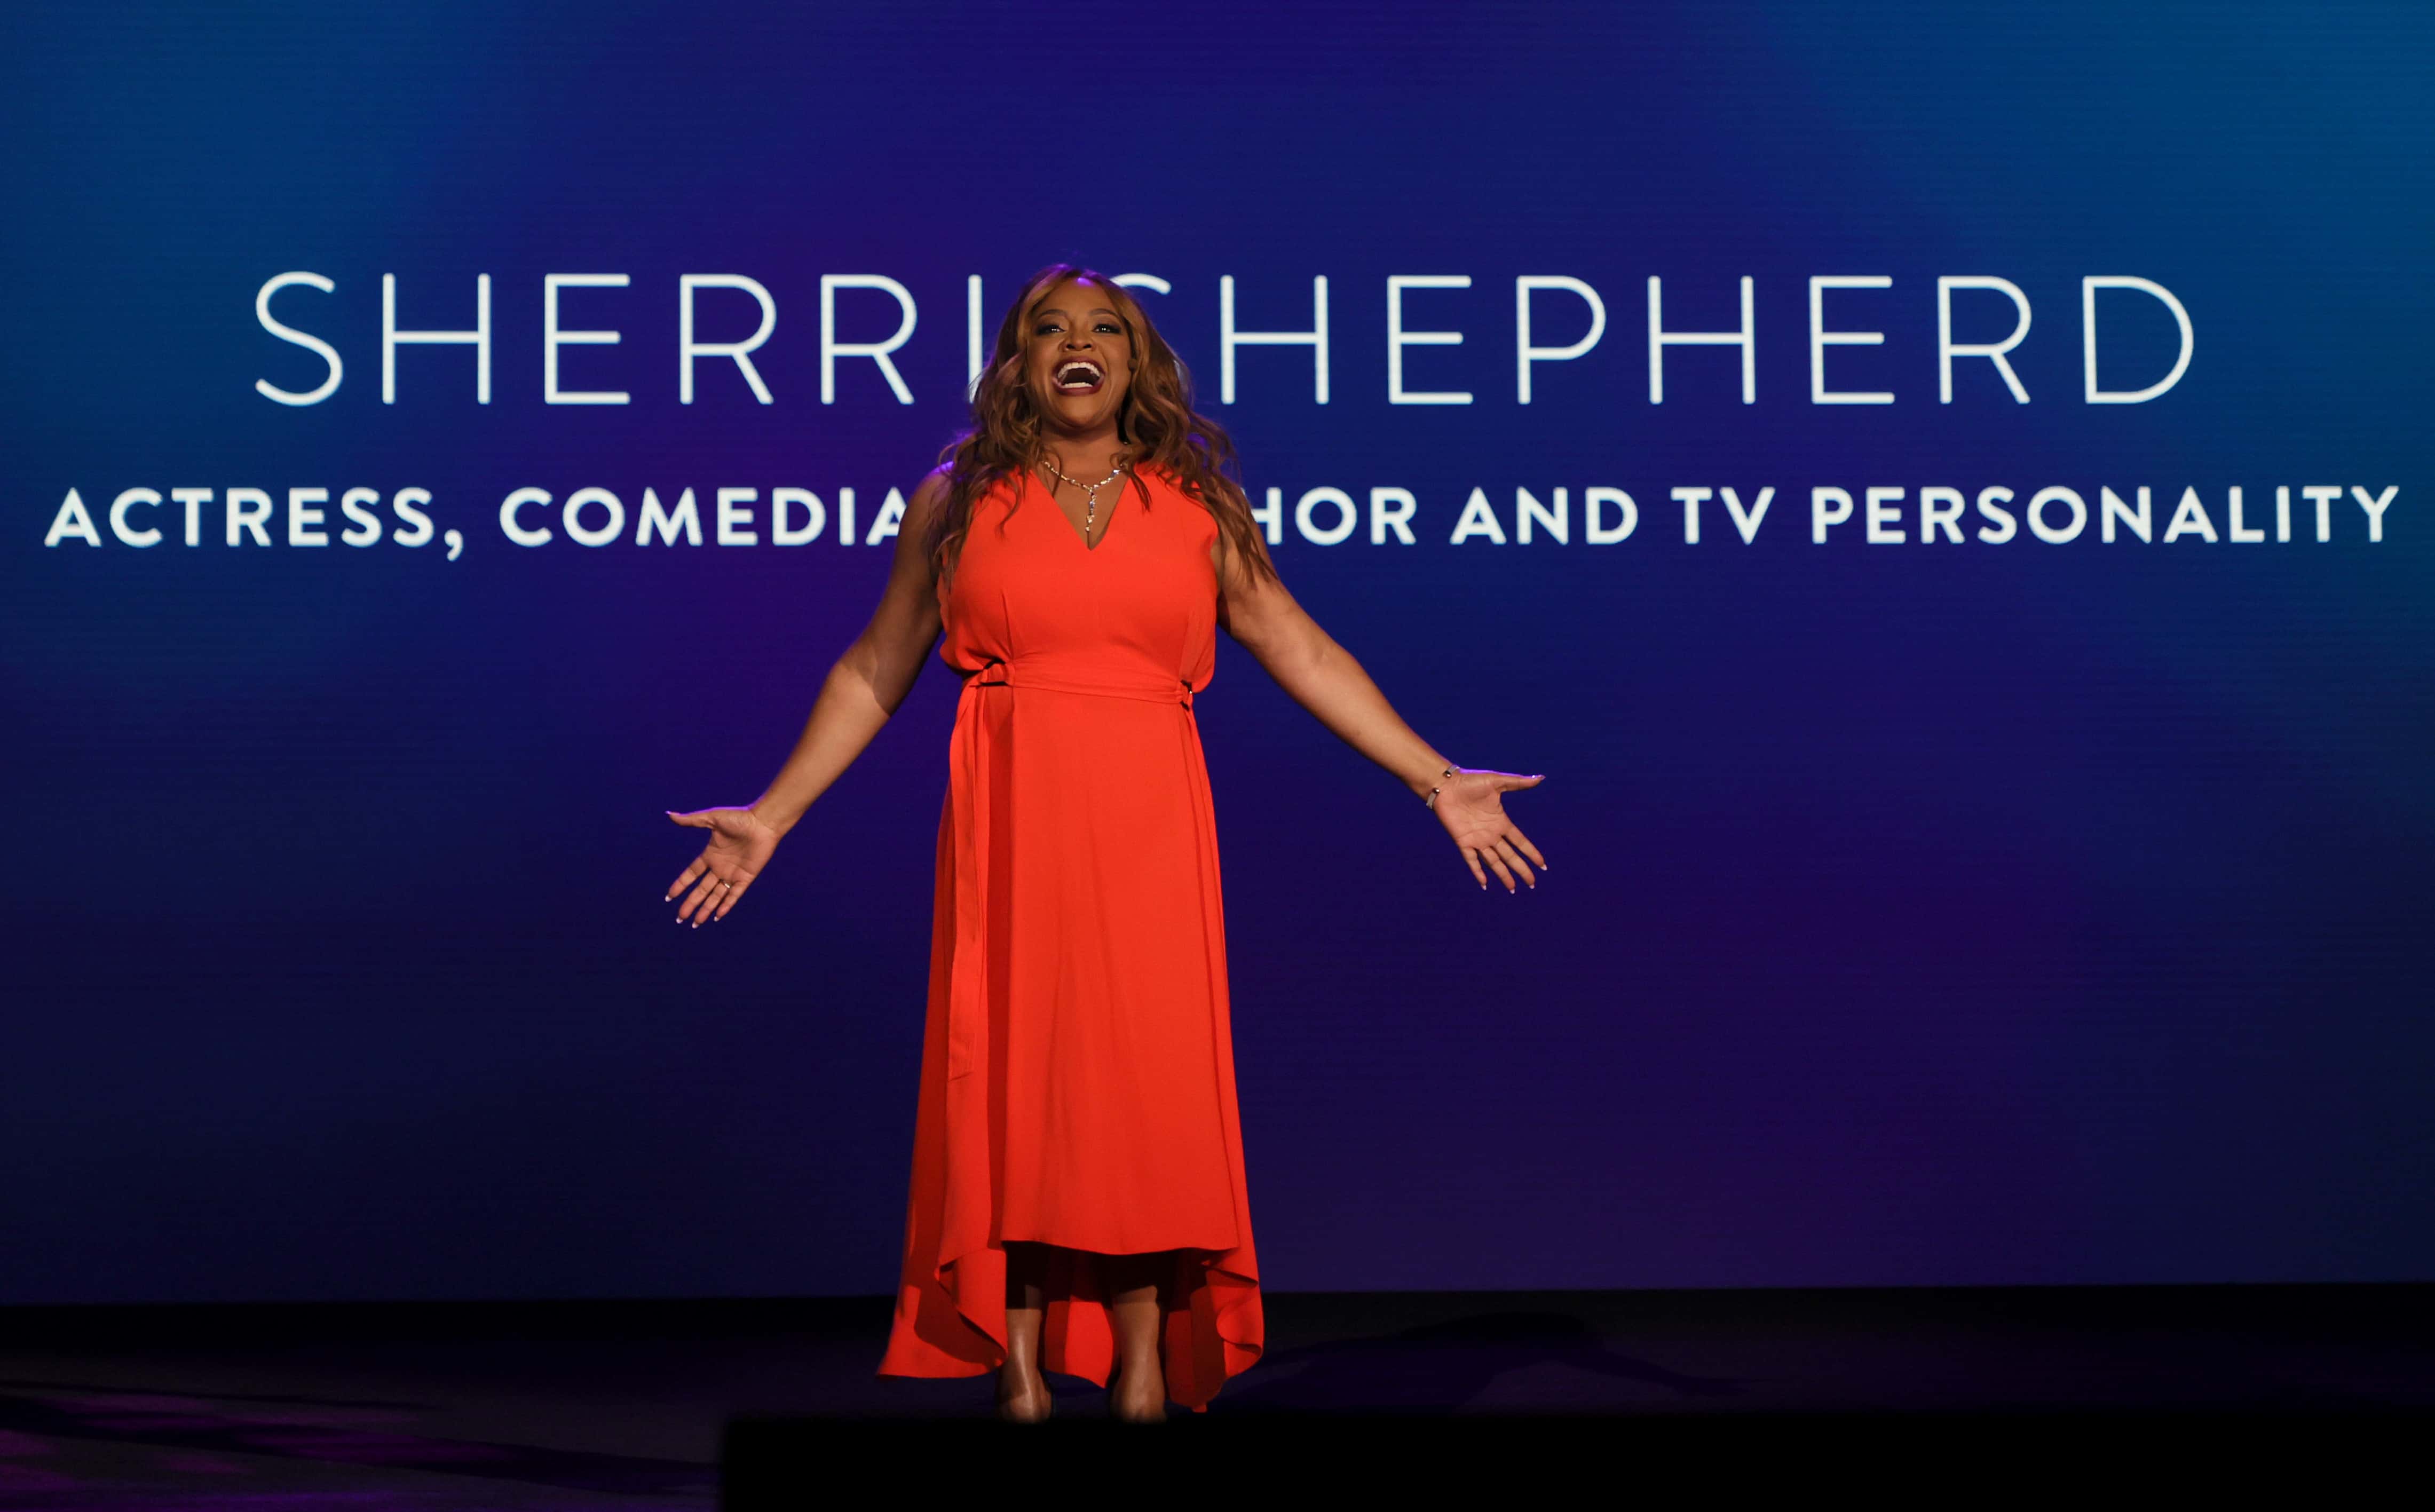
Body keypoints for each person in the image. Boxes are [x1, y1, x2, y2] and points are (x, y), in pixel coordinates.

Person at [664, 264, 1546, 1422]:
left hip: (1148, 817)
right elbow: (876, 665)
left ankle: (1138, 1371)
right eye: (1049, 329)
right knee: (1019, 1083)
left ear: (1135, 363)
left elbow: (1300, 646)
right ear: (1017, 360)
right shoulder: (955, 497)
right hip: (1014, 806)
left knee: (1139, 1087)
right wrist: (771, 815)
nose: (1077, 345)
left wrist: (1436, 778)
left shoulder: (1193, 500)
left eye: (1104, 330)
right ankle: (1019, 1370)